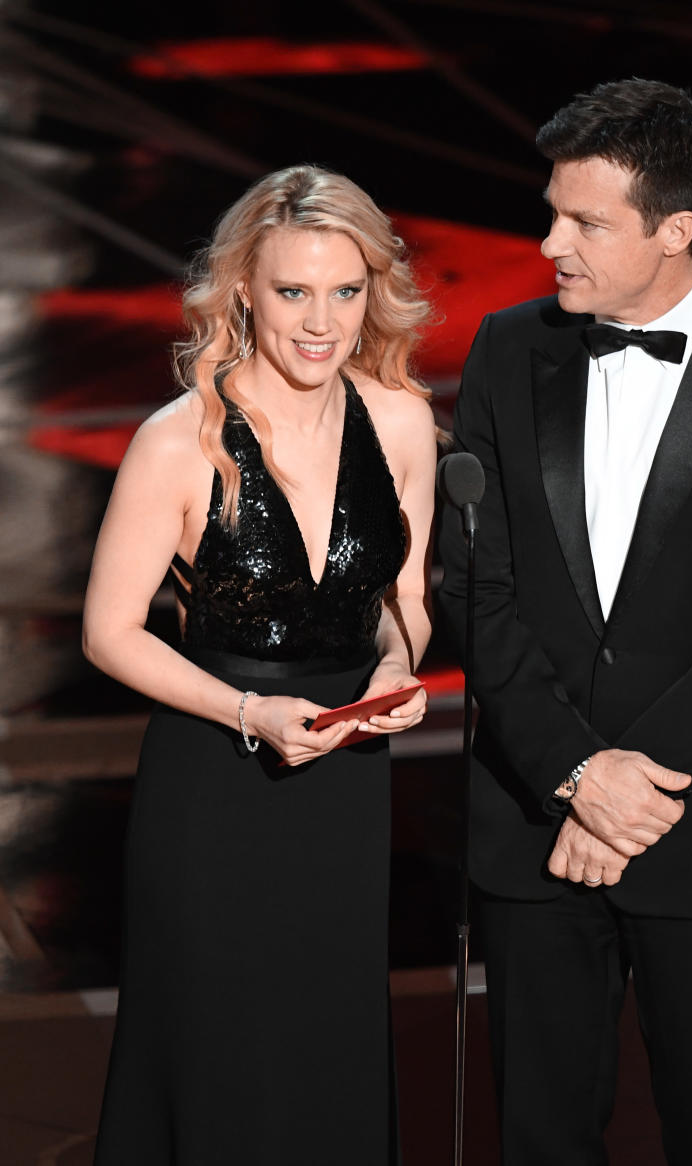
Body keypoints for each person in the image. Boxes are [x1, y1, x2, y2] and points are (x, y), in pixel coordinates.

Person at [438, 78, 692, 1166]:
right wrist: (574, 769)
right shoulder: (504, 348)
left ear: (676, 229)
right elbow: (471, 585)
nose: (547, 241)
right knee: (538, 1134)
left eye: (583, 221)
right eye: (552, 209)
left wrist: (630, 783)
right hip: (534, 827)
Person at [83, 164, 436, 1164]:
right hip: (217, 777)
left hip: (345, 784)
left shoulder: (402, 422)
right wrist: (250, 711)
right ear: (243, 288)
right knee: (220, 1046)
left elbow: (404, 603)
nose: (319, 320)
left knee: (326, 1038)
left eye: (345, 290)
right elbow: (110, 632)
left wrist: (390, 675)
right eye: (292, 291)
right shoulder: (178, 441)